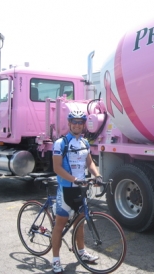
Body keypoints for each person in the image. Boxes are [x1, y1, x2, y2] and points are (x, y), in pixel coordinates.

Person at [51, 110, 102, 273]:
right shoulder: (61, 143)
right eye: (75, 122)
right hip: (66, 189)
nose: (78, 125)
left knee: (80, 224)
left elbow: (90, 162)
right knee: (59, 225)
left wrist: (97, 175)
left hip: (81, 189)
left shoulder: (84, 143)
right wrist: (74, 180)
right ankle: (56, 260)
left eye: (81, 122)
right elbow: (57, 167)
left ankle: (81, 252)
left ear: (83, 125)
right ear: (69, 123)